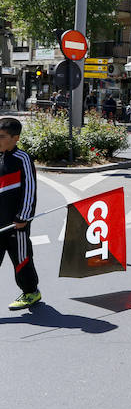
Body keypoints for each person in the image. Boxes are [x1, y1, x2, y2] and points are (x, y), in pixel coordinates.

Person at [0, 118, 40, 311]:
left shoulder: (22, 159)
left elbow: (30, 190)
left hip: (17, 224)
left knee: (22, 260)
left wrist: (23, 217)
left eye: (2, 137)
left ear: (15, 138)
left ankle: (31, 291)